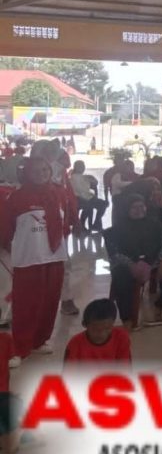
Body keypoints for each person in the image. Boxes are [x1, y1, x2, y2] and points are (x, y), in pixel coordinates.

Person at [1, 157, 74, 366]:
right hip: (29, 259)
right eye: (36, 170)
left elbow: (65, 222)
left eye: (45, 169)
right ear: (27, 173)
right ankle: (19, 347)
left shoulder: (58, 194)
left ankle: (40, 340)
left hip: (55, 257)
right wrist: (8, 248)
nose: (41, 174)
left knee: (49, 302)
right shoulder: (17, 197)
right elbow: (6, 228)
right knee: (26, 305)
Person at [106, 193, 162, 328]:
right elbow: (114, 253)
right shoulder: (117, 228)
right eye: (134, 207)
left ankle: (159, 305)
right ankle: (127, 319)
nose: (139, 210)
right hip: (128, 265)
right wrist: (132, 265)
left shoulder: (154, 223)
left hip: (154, 262)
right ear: (127, 209)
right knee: (120, 276)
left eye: (141, 206)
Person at [63, 299, 132, 364]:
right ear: (84, 324)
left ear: (113, 323)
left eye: (107, 328)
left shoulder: (121, 338)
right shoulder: (75, 344)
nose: (102, 334)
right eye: (95, 329)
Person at [70, 160, 108, 232]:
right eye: (80, 166)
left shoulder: (85, 177)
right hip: (78, 199)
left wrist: (91, 178)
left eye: (83, 166)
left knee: (103, 204)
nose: (82, 168)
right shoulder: (73, 177)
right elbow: (79, 190)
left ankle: (96, 223)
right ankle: (82, 223)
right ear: (76, 167)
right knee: (88, 205)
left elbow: (95, 183)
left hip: (88, 198)